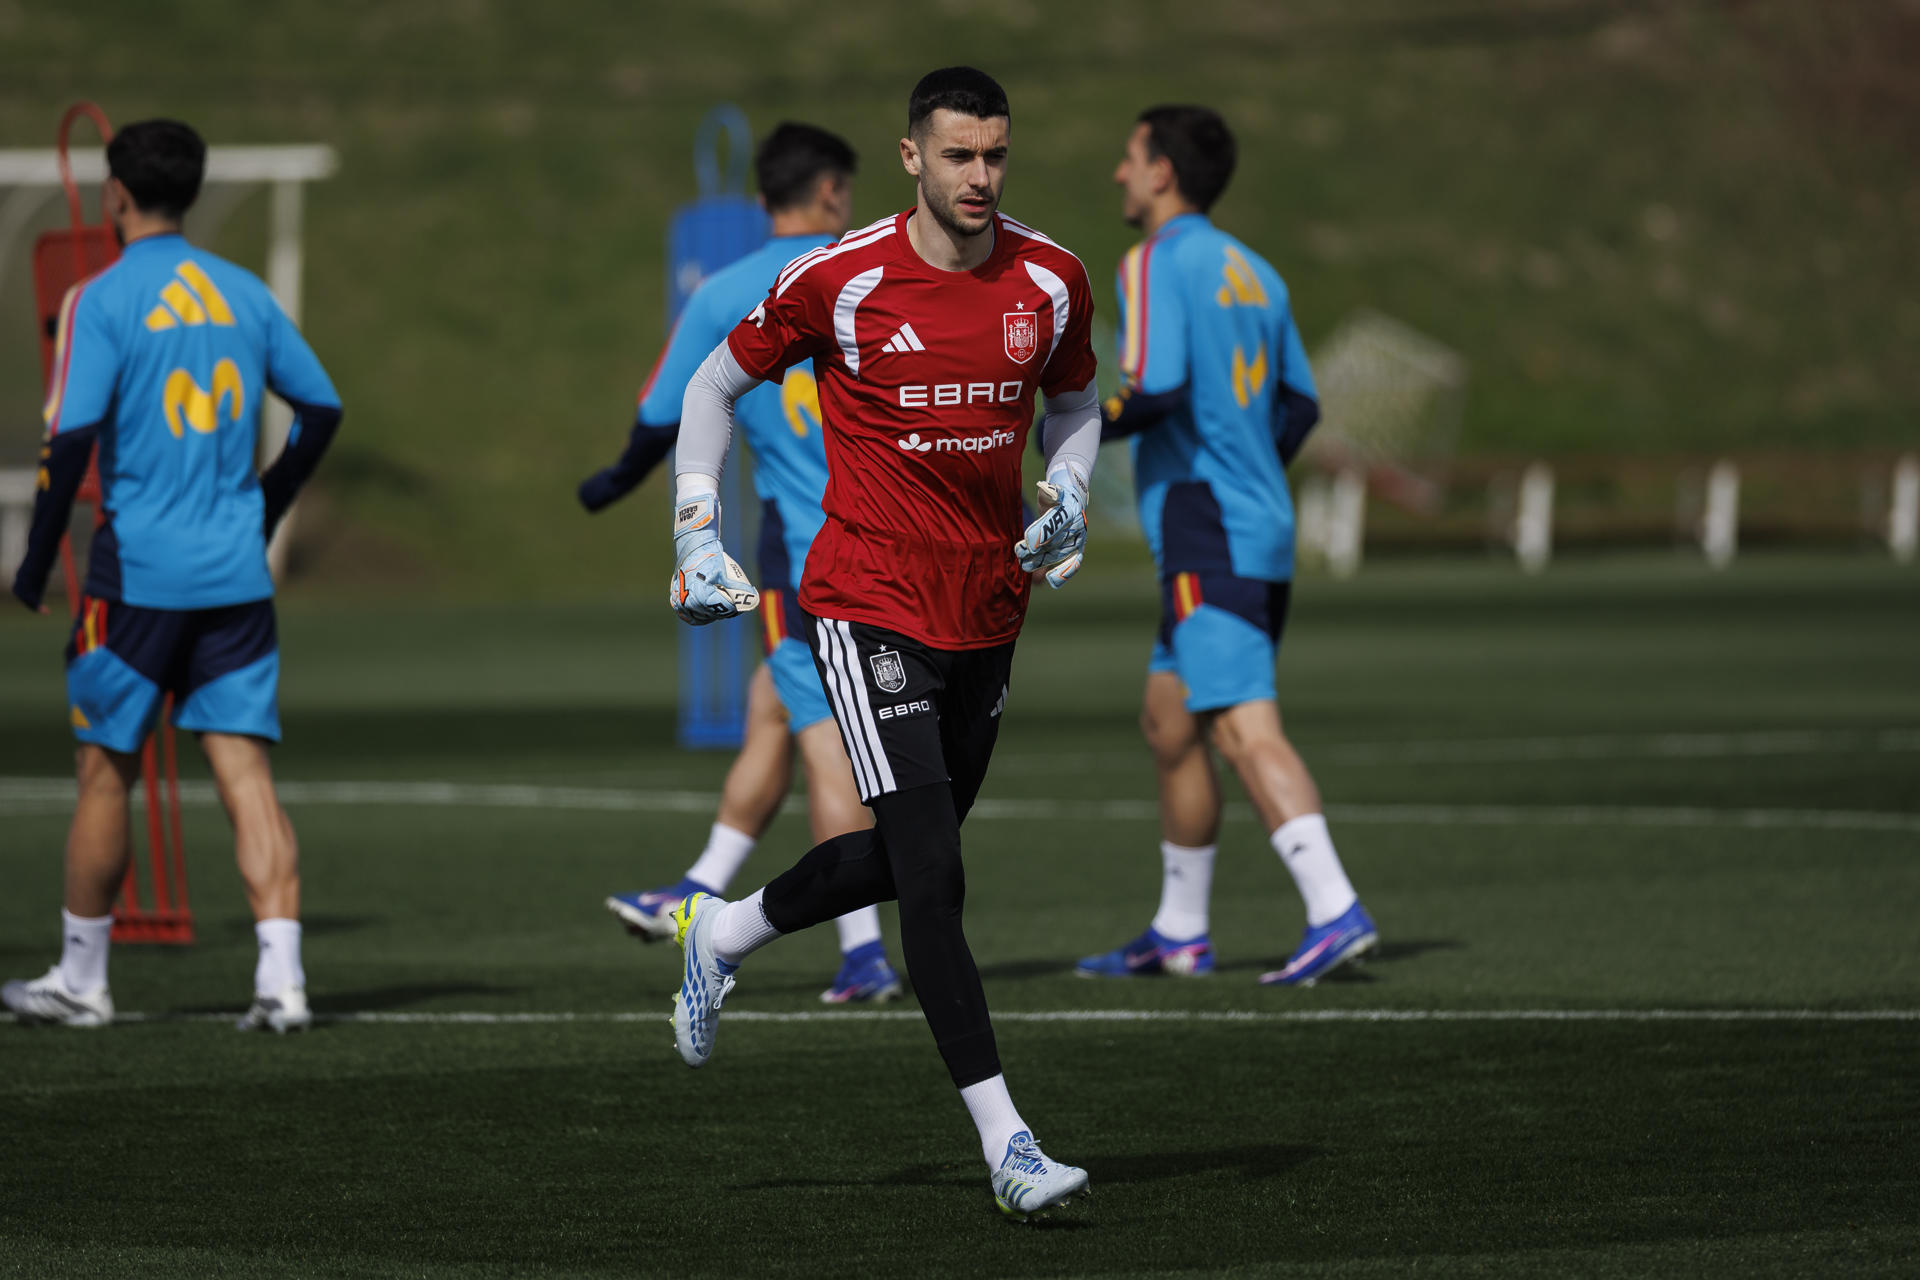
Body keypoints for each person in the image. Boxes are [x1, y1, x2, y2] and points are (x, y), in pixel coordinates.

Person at [660, 67, 1100, 1220]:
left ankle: (726, 931)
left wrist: (1071, 486)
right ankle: (1008, 1144)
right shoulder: (841, 278)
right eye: (959, 155)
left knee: (919, 849)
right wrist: (696, 527)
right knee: (937, 878)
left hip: (990, 602)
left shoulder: (1051, 277)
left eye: (997, 154)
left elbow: (1075, 401)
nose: (981, 177)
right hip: (862, 596)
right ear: (911, 156)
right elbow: (711, 387)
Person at [4, 119, 342, 1032]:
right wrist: (265, 506)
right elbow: (319, 408)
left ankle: (81, 979)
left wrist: (33, 566)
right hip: (235, 577)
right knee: (244, 771)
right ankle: (283, 981)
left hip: (136, 580)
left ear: (115, 192)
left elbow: (68, 442)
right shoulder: (244, 292)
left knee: (104, 769)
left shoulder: (99, 299)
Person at [580, 123, 902, 1005]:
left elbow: (663, 414)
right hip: (903, 553)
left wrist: (613, 484)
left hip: (810, 564)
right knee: (772, 707)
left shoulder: (725, 290)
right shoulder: (878, 276)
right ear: (833, 191)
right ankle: (699, 881)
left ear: (764, 199)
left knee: (826, 748)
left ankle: (863, 950)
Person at [1075, 105, 1379, 988]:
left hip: (1208, 527)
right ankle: (1179, 932)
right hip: (1253, 521)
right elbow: (1302, 407)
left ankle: (1334, 909)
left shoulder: (1154, 260)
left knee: (1244, 728)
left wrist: (1076, 427)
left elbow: (1158, 389)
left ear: (1163, 171)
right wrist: (1250, 469)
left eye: (1129, 158)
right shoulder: (1258, 271)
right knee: (1172, 723)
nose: (1119, 175)